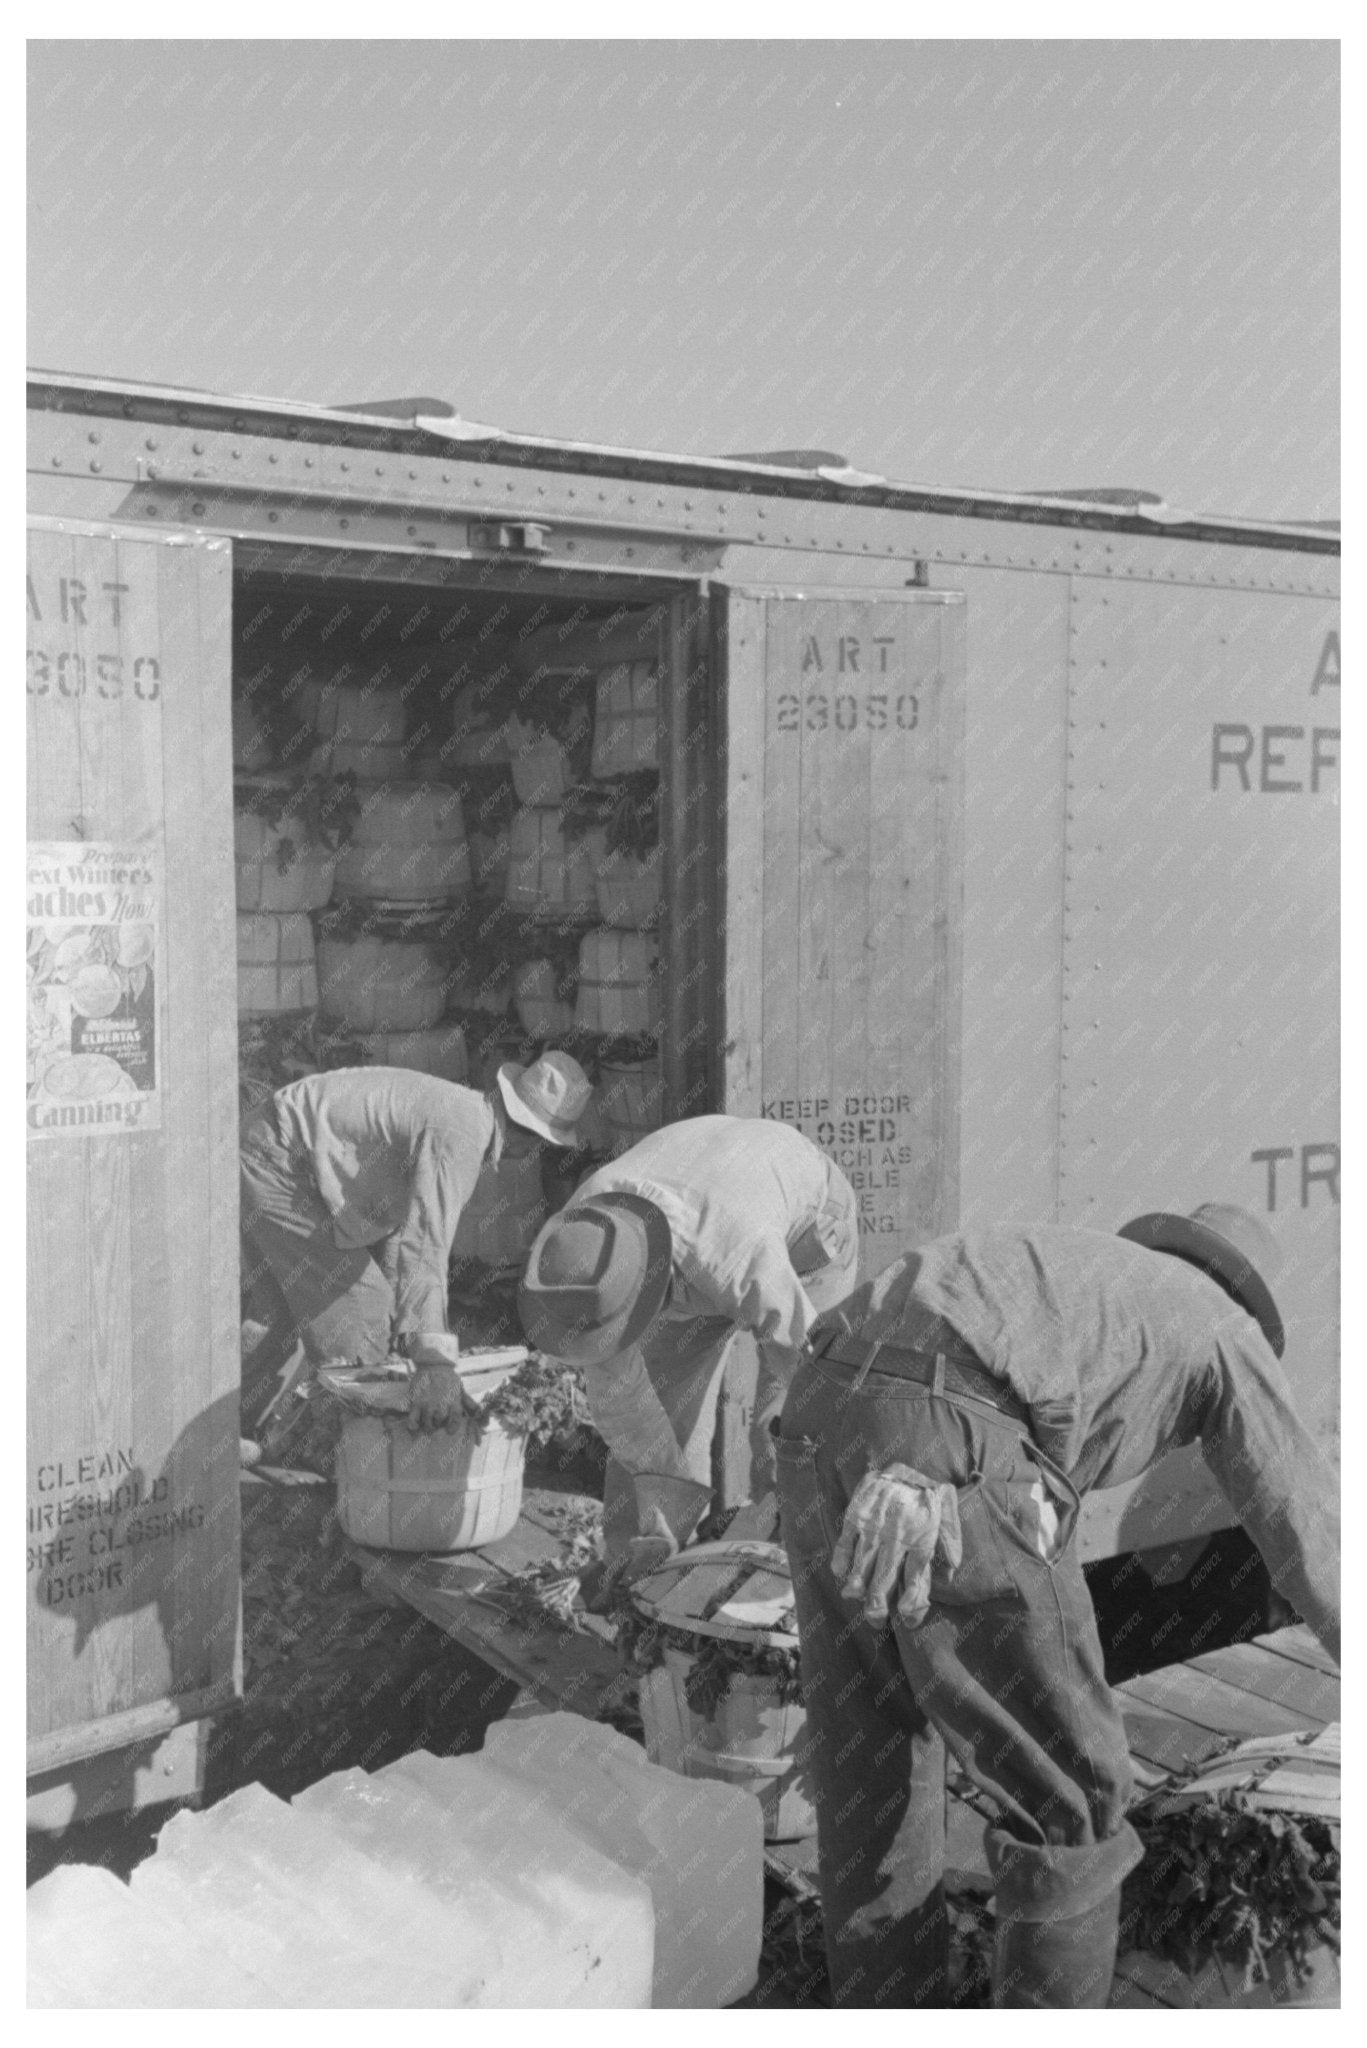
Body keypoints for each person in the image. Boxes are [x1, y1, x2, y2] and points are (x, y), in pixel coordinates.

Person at [776, 1203, 1341, 2010]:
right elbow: (1304, 1526)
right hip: (947, 1434)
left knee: (869, 1752)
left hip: (819, 1400)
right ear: (1244, 1298)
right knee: (1069, 1799)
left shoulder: (1087, 1276)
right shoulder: (1224, 1330)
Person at [517, 1115, 860, 1579]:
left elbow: (815, 1378)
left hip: (809, 1226)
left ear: (653, 1285)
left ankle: (782, 1580)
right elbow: (623, 1401)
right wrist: (658, 1525)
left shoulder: (736, 1257)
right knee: (660, 1400)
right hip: (698, 1204)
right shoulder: (584, 1245)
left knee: (785, 1425)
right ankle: (640, 1574)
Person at [240, 1053, 592, 1435]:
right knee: (362, 1308)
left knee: (276, 1314)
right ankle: (345, 1454)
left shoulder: (459, 1110)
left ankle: (226, 1439)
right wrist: (434, 1363)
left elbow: (398, 1231)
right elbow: (426, 1244)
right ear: (532, 1138)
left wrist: (408, 1331)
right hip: (280, 1160)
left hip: (268, 1142)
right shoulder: (461, 1132)